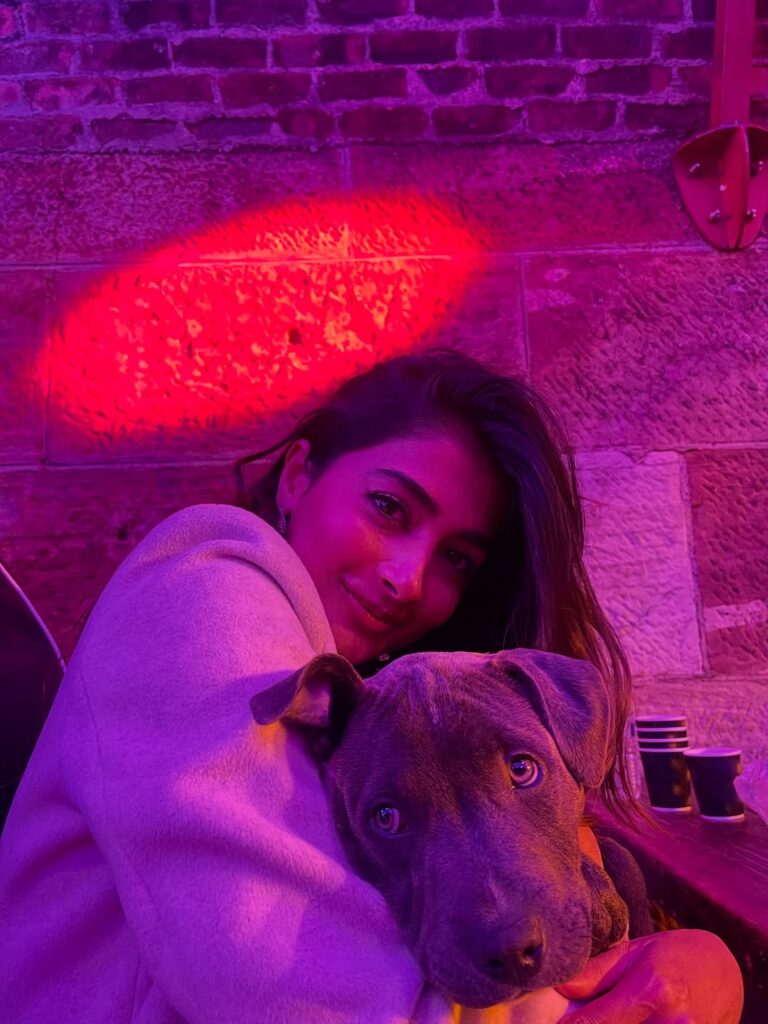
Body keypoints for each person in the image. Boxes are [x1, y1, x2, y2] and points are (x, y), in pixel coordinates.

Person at [0, 349, 742, 1024]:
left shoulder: (389, 708)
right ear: (299, 476)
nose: (408, 580)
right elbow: (314, 1000)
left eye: (456, 559)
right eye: (389, 508)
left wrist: (698, 961)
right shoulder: (207, 588)